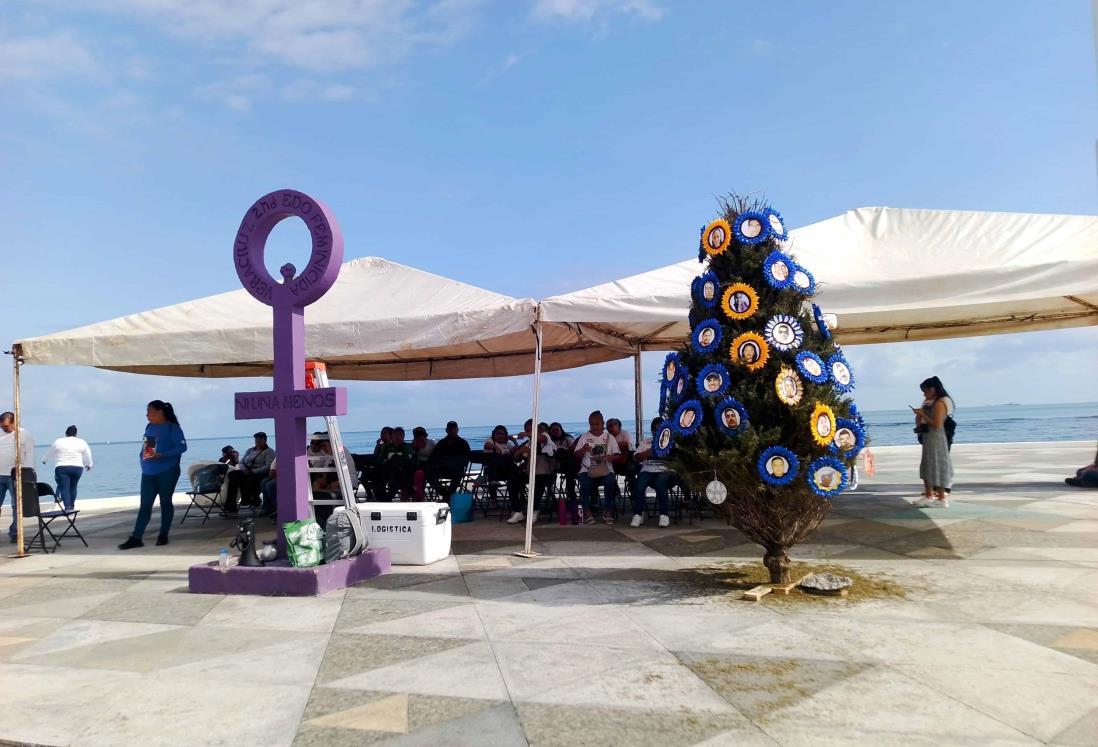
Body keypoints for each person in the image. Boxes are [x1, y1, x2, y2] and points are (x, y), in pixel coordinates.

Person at [119, 400, 188, 549]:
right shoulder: (149, 427)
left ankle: (163, 534)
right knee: (145, 505)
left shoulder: (172, 427)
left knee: (165, 502)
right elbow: (148, 447)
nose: (147, 415)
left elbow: (182, 447)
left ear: (159, 412)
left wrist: (163, 454)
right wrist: (145, 458)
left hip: (168, 470)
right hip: (148, 472)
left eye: (150, 411)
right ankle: (136, 537)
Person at [911, 376, 955, 508]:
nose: (924, 394)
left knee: (937, 466)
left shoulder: (941, 403)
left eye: (925, 391)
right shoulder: (929, 401)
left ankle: (941, 498)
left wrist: (922, 414)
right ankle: (929, 495)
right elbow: (923, 420)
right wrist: (919, 417)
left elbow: (937, 424)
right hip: (928, 437)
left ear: (933, 389)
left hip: (937, 438)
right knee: (926, 466)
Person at [574, 410, 621, 525]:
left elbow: (618, 455)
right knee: (585, 484)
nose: (594, 427)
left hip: (605, 470)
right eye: (591, 424)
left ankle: (608, 511)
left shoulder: (609, 437)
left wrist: (610, 457)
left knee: (610, 482)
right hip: (587, 470)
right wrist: (583, 449)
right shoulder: (584, 437)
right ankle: (587, 512)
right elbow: (576, 455)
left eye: (597, 424)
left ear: (602, 423)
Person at [507, 420, 556, 524]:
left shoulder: (545, 436)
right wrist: (519, 452)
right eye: (526, 430)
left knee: (538, 481)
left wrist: (527, 435)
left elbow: (540, 440)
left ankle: (535, 509)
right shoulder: (529, 442)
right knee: (513, 479)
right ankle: (517, 510)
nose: (528, 432)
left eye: (530, 430)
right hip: (531, 471)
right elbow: (524, 456)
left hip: (545, 472)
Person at [630, 418, 673, 528]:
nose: (657, 432)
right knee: (639, 485)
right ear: (652, 431)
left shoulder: (670, 442)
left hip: (663, 470)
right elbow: (635, 457)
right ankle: (638, 514)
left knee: (660, 483)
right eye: (655, 430)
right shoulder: (646, 442)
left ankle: (664, 515)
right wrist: (646, 453)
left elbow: (675, 459)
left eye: (660, 430)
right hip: (647, 470)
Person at [0, 412, 35, 543]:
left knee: (16, 505)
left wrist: (29, 474)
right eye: (3, 426)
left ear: (15, 422)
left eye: (7, 426)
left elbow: (30, 455)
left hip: (15, 475)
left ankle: (15, 532)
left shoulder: (24, 434)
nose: (5, 428)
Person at [42, 425, 94, 512]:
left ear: (66, 433)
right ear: (76, 434)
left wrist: (44, 459)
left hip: (62, 467)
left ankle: (67, 507)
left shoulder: (58, 441)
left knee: (64, 488)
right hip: (77, 468)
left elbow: (50, 452)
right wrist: (89, 464)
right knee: (73, 487)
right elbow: (88, 453)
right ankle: (72, 506)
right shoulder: (82, 442)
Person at [223, 432, 275, 515]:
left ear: (265, 440)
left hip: (259, 473)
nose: (257, 443)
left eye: (260, 441)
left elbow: (268, 466)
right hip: (246, 471)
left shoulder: (269, 452)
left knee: (247, 480)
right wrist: (244, 470)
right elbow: (241, 462)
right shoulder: (249, 450)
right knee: (232, 477)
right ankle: (231, 507)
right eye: (256, 441)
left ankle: (248, 500)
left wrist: (253, 471)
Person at [427, 421, 471, 502]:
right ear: (446, 430)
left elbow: (466, 459)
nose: (452, 431)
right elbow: (434, 457)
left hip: (456, 469)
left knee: (458, 472)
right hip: (442, 469)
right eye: (450, 429)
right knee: (429, 474)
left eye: (454, 429)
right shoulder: (441, 443)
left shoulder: (463, 443)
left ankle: (449, 495)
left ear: (457, 430)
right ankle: (445, 494)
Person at [377, 427, 415, 500]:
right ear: (392, 436)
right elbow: (380, 459)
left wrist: (393, 457)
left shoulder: (407, 446)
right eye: (396, 435)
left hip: (404, 473)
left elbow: (407, 458)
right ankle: (380, 497)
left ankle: (394, 495)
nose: (398, 437)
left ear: (403, 436)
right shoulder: (387, 447)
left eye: (400, 435)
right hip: (388, 472)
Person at [607, 417, 636, 497]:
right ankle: (615, 491)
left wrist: (619, 446)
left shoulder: (625, 433)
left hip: (627, 462)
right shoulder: (608, 437)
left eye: (611, 426)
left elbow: (631, 447)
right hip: (615, 463)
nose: (609, 428)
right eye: (607, 426)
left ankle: (633, 492)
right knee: (607, 469)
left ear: (618, 426)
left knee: (632, 468)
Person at [549, 422, 578, 503]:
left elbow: (575, 450)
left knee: (570, 464)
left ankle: (570, 491)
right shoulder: (549, 441)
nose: (555, 432)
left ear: (561, 430)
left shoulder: (567, 438)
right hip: (556, 464)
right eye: (553, 430)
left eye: (557, 430)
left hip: (568, 464)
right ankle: (569, 492)